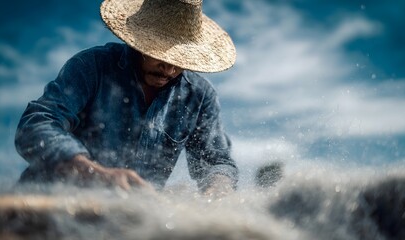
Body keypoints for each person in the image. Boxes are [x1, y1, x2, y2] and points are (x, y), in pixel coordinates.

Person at [14, 0, 238, 195]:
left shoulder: (199, 96)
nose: (169, 69)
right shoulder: (92, 67)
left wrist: (217, 192)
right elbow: (36, 125)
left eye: (179, 60)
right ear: (138, 41)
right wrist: (94, 174)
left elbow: (217, 162)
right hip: (43, 208)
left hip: (125, 221)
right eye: (160, 53)